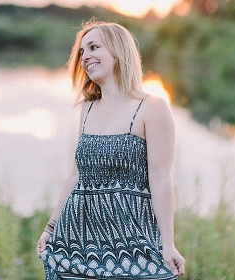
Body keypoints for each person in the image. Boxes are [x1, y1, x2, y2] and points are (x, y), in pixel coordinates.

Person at [36, 19, 185, 279]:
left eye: (94, 47)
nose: (86, 57)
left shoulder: (152, 107)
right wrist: (50, 228)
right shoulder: (87, 108)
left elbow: (160, 178)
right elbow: (75, 175)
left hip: (133, 241)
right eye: (82, 51)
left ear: (118, 51)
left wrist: (168, 243)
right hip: (78, 241)